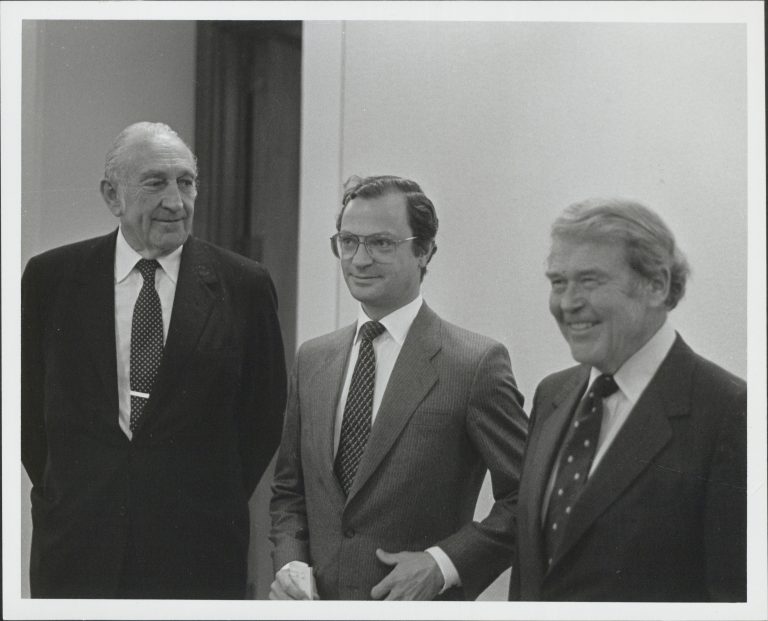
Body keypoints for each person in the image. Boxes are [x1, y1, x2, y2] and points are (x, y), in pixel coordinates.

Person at [21, 122, 287, 599]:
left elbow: (262, 417)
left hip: (198, 551)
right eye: (155, 182)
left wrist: (200, 493)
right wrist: (75, 490)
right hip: (76, 548)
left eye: (186, 182)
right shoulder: (50, 280)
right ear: (112, 195)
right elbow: (25, 412)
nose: (175, 201)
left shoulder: (243, 285)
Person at [269, 175, 528, 601]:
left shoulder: (474, 364)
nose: (359, 259)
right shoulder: (312, 359)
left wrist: (443, 564)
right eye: (348, 241)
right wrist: (290, 564)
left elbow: (526, 498)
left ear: (424, 251)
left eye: (381, 244)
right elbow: (288, 494)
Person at [510, 198, 747, 602]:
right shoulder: (552, 395)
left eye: (589, 281)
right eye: (558, 282)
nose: (567, 303)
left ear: (656, 285)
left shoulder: (730, 413)